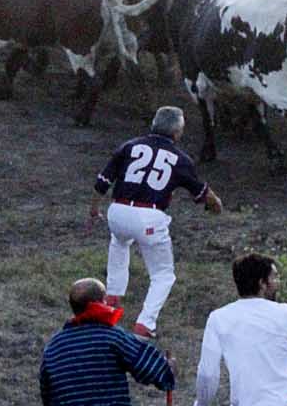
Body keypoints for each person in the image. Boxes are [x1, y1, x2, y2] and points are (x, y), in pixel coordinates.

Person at [89, 106, 222, 339]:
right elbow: (201, 192)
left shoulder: (129, 146)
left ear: (153, 123)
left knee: (119, 244)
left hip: (118, 210)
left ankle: (111, 300)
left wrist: (94, 209)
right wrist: (216, 205)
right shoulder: (180, 159)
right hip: (149, 215)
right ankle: (145, 323)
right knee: (163, 274)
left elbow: (103, 181)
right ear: (178, 132)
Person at [39, 278, 178, 406]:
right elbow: (146, 365)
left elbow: (47, 393)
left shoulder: (53, 347)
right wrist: (166, 369)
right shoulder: (112, 337)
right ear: (100, 303)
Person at [192, 253, 287, 406]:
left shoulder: (218, 318)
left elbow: (207, 374)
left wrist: (201, 404)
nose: (278, 283)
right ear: (262, 283)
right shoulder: (285, 312)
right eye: (274, 278)